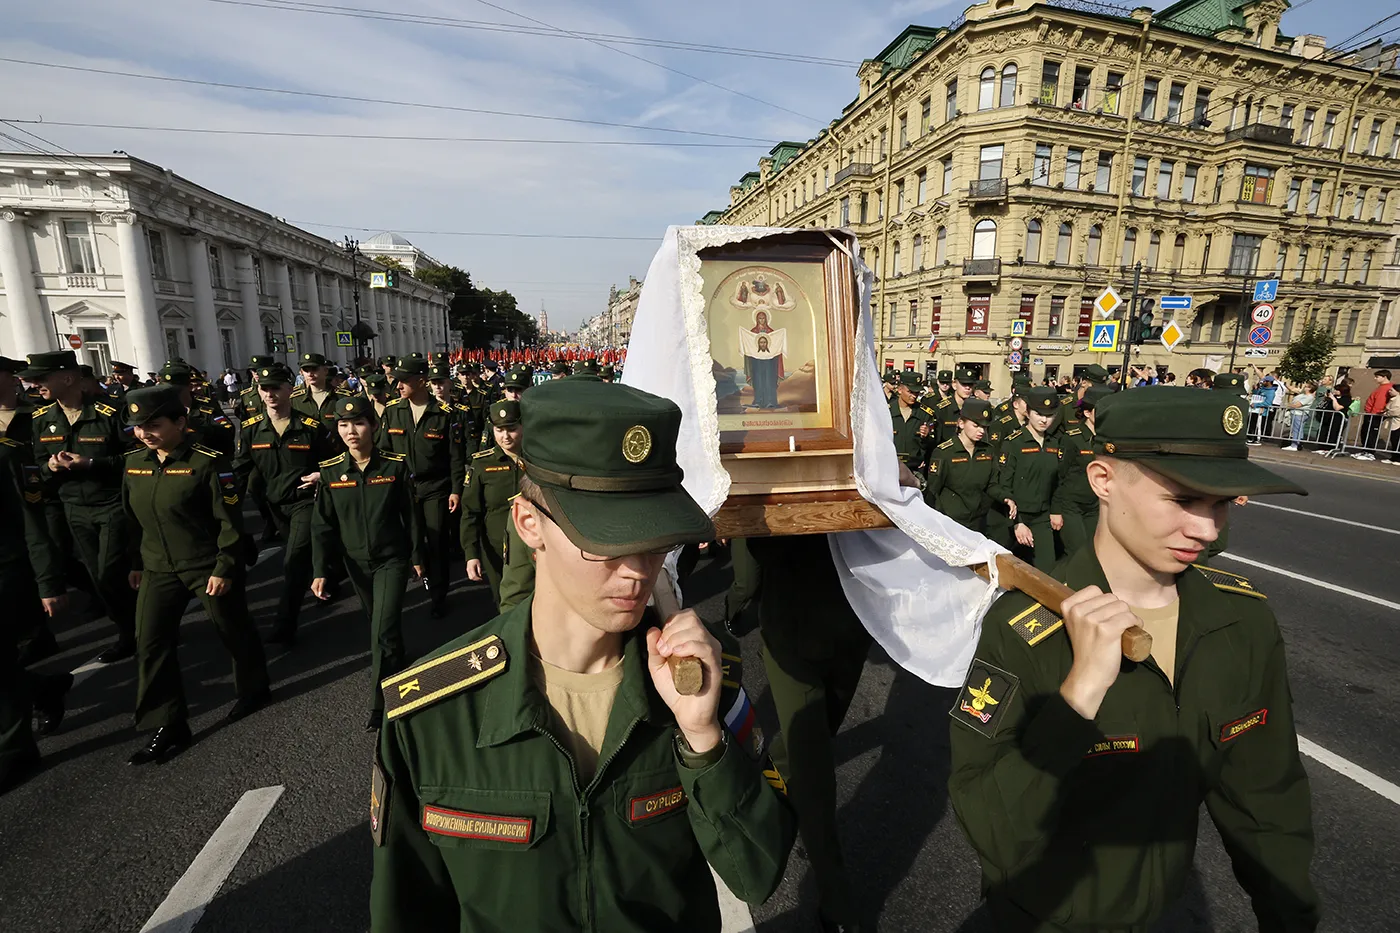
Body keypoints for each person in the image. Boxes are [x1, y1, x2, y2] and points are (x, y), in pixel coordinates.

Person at [369, 378, 794, 932]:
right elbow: (405, 911)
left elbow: (757, 873)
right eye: (606, 538)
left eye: (654, 539)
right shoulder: (429, 714)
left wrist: (704, 741)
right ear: (529, 525)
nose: (638, 569)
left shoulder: (708, 678)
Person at [949, 386, 1319, 932]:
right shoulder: (1026, 633)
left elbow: (1266, 800)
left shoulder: (1240, 624)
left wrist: (1291, 920)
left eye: (1221, 504)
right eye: (1184, 499)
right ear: (1103, 481)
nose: (1207, 528)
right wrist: (1078, 697)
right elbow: (994, 826)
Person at [121, 385, 271, 765]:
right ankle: (168, 722)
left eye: (153, 424)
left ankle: (254, 689)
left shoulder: (207, 463)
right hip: (158, 566)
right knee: (150, 642)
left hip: (206, 564)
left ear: (180, 422)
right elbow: (131, 520)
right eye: (138, 426)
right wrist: (136, 563)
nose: (144, 433)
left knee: (231, 627)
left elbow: (230, 521)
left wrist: (225, 566)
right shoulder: (134, 464)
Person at [310, 397, 424, 729]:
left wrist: (418, 557)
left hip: (392, 559)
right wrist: (320, 571)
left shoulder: (394, 466)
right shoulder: (332, 471)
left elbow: (412, 518)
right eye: (343, 425)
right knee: (381, 625)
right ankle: (397, 658)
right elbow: (322, 526)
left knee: (381, 630)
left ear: (373, 426)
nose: (351, 431)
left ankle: (381, 701)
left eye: (358, 423)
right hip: (355, 564)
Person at [22, 350, 140, 663]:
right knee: (98, 577)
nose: (35, 385)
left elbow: (136, 457)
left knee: (111, 573)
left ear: (68, 377)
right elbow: (35, 466)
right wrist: (50, 467)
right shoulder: (42, 419)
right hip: (73, 507)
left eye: (42, 379)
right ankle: (132, 626)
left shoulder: (109, 412)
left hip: (112, 503)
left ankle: (135, 630)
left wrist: (91, 463)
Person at [232, 364, 333, 646]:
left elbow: (334, 462)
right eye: (265, 389)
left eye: (276, 387)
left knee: (293, 562)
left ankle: (284, 625)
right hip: (274, 506)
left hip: (305, 502)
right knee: (301, 556)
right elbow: (239, 472)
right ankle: (326, 574)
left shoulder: (311, 427)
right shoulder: (251, 430)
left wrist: (321, 475)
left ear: (291, 389)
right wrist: (227, 507)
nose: (270, 393)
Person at [375, 358, 462, 618]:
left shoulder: (445, 413)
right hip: (403, 487)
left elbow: (455, 456)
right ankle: (419, 572)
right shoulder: (393, 411)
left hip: (435, 486)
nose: (398, 385)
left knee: (436, 540)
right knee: (410, 540)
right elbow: (384, 450)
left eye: (404, 380)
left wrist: (456, 489)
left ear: (421, 381)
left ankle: (438, 594)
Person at [990, 387, 1064, 571]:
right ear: (1028, 412)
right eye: (1039, 414)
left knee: (1047, 571)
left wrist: (1056, 511)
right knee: (1002, 571)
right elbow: (1003, 485)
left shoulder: (1055, 443)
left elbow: (1058, 482)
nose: (1044, 419)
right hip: (1012, 519)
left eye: (1050, 414)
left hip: (1041, 518)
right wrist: (1017, 523)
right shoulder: (1013, 443)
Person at [461, 400, 524, 607]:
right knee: (504, 601)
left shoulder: (538, 461)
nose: (505, 436)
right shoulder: (481, 464)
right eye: (499, 430)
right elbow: (470, 512)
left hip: (533, 546)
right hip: (496, 548)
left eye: (511, 429)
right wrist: (471, 554)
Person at [1052, 384, 1116, 556]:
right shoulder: (1072, 438)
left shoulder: (1108, 440)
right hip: (1072, 505)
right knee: (1077, 551)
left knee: (1094, 549)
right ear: (1087, 413)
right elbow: (1060, 475)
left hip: (1096, 504)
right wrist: (1055, 510)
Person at [924, 398, 996, 533]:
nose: (981, 431)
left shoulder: (988, 451)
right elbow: (933, 491)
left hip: (978, 522)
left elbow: (992, 484)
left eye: (984, 427)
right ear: (961, 423)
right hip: (950, 522)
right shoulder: (944, 453)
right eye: (976, 425)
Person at [292, 352, 353, 449]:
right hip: (307, 452)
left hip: (336, 452)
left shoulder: (342, 397)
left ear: (325, 370)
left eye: (314, 369)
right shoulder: (295, 399)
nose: (310, 374)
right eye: (306, 370)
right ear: (301, 373)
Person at [1355, 369, 1392, 460]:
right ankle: (1365, 450)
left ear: (1384, 377)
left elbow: (1379, 402)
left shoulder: (1386, 388)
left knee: (1371, 433)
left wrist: (1374, 414)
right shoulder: (1381, 387)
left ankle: (1369, 452)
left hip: (1375, 414)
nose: (1375, 378)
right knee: (1365, 432)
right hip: (1371, 413)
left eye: (1377, 377)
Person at [1282, 381, 1317, 451]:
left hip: (1299, 414)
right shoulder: (1303, 394)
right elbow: (1293, 390)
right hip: (1296, 413)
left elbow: (1297, 405)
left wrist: (1287, 405)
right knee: (1297, 429)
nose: (1304, 387)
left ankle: (1294, 445)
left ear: (1309, 389)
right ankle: (1297, 444)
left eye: (1306, 386)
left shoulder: (1309, 397)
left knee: (1297, 429)